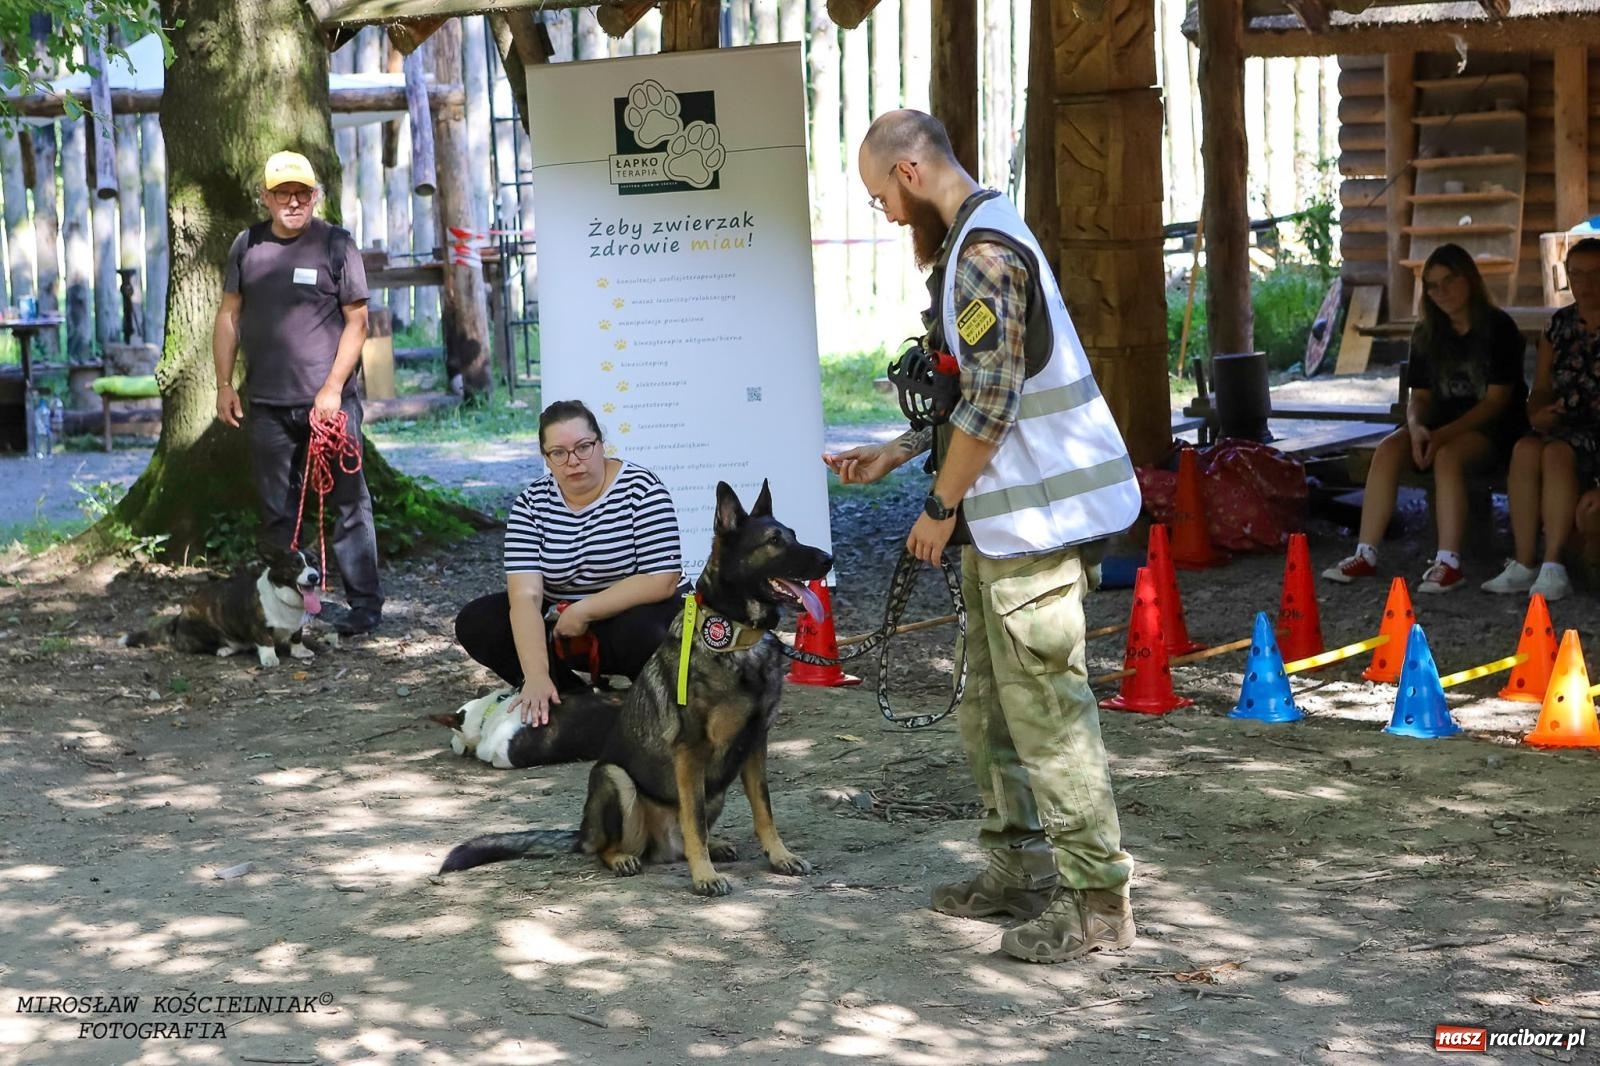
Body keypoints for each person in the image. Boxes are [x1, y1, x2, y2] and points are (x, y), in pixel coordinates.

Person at [824, 110, 1142, 965]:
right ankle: (1016, 868)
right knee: (991, 709)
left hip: (1035, 526)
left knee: (1048, 713)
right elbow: (968, 389)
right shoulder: (976, 237)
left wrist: (937, 505)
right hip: (1004, 527)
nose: (885, 216)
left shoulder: (982, 256)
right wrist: (896, 452)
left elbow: (993, 405)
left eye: (879, 195)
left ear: (912, 170)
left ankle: (1097, 904)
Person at [213, 150, 383, 635]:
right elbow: (228, 316)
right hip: (265, 404)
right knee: (277, 514)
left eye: (303, 192)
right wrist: (225, 384)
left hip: (330, 406)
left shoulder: (336, 245)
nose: (293, 201)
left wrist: (332, 389)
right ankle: (286, 614)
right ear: (265, 197)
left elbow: (358, 322)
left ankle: (365, 609)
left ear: (316, 195)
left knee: (349, 504)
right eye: (283, 192)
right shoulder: (247, 245)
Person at [455, 400, 685, 727]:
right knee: (478, 620)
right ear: (546, 457)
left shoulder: (643, 488)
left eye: (583, 447)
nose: (573, 462)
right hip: (564, 625)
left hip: (635, 618)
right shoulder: (530, 504)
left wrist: (584, 610)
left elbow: (662, 579)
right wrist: (534, 673)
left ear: (601, 443)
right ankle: (568, 698)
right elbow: (525, 596)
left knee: (646, 630)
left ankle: (651, 703)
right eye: (559, 453)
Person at [1322, 243, 1528, 593]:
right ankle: (1365, 552)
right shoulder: (1427, 332)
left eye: (1448, 281)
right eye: (1432, 285)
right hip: (1437, 426)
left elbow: (1496, 403)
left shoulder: (1499, 328)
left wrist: (1442, 435)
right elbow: (1419, 397)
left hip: (1492, 429)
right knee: (1388, 449)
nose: (1440, 292)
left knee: (1448, 458)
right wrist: (1416, 428)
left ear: (1469, 280)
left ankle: (1449, 562)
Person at [1481, 238, 1600, 601]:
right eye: (1577, 274)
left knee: (1555, 453)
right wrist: (1538, 412)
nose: (1586, 284)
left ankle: (1553, 566)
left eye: (1595, 275)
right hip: (1563, 424)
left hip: (1593, 436)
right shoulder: (1559, 325)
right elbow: (1542, 387)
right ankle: (1524, 561)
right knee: (1526, 448)